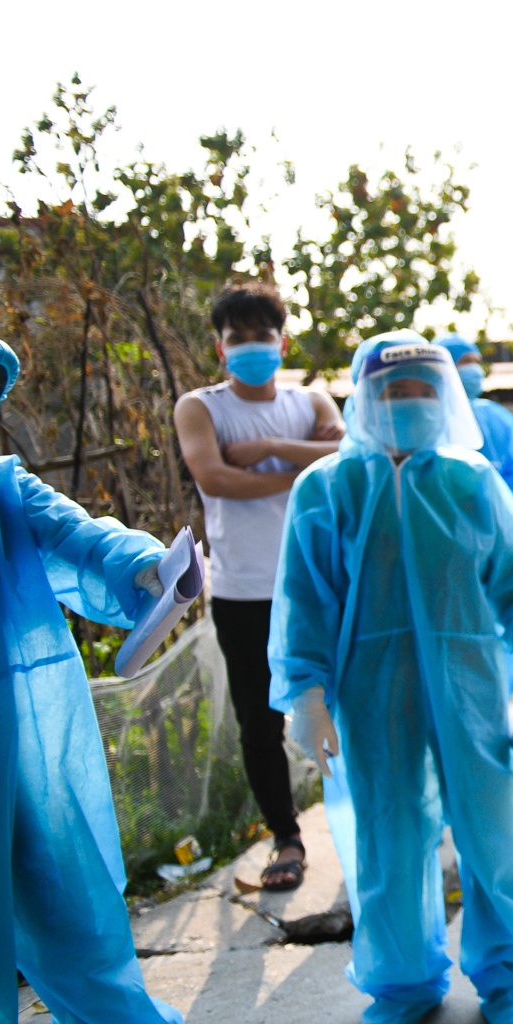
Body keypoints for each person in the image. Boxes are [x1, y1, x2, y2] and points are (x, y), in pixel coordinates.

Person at [270, 333, 513, 1024]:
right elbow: (304, 598)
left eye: (422, 390)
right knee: (388, 836)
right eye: (392, 391)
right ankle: (400, 983)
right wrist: (304, 693)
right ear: (363, 397)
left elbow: (511, 578)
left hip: (471, 686)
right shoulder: (328, 488)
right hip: (369, 694)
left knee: (493, 830)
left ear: (445, 398)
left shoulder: (471, 480)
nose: (406, 403)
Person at [0, 337, 240, 1024]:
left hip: (18, 734)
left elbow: (83, 538)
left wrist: (148, 570)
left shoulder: (1, 491)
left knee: (65, 893)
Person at [174, 281, 344, 890]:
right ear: (220, 349)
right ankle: (288, 838)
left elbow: (347, 457)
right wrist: (304, 468)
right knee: (259, 722)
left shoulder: (311, 401)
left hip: (320, 585)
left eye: (261, 337)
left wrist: (270, 448)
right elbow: (215, 479)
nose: (250, 347)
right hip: (245, 592)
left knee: (349, 702)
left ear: (283, 342)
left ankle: (371, 819)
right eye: (236, 338)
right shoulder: (201, 407)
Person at [435, 331, 513, 511]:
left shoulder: (493, 415)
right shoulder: (428, 417)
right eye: (466, 362)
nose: (475, 370)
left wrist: (506, 508)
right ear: (444, 366)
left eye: (477, 362)